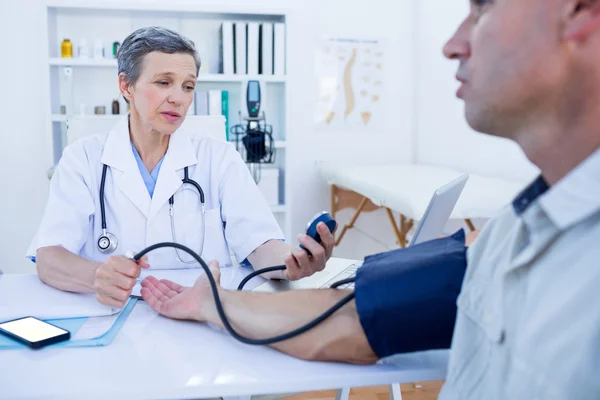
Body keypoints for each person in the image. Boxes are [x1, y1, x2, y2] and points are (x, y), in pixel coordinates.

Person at [141, 0, 600, 398]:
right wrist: (209, 303)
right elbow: (350, 318)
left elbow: (286, 265)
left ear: (581, 10)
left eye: (483, 6)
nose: (452, 45)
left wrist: (243, 285)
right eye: (163, 83)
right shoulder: (507, 237)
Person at [27, 26, 335, 309]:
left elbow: (260, 245)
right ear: (126, 85)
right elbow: (49, 257)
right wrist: (98, 275)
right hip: (112, 313)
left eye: (188, 87)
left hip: (200, 314)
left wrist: (291, 262)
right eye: (164, 83)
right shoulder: (83, 158)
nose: (179, 98)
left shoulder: (219, 157)